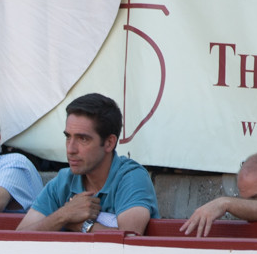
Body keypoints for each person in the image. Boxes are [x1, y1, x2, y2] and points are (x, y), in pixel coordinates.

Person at [16, 93, 159, 234]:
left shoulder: (131, 177)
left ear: (109, 143)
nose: (71, 149)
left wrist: (83, 226)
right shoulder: (63, 180)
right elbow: (18, 239)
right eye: (68, 137)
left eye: (83, 139)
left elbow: (128, 240)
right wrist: (64, 215)